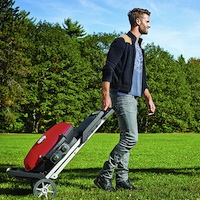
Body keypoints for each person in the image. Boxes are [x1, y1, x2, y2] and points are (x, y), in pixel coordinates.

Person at [94, 8, 156, 191]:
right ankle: (104, 175)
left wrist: (149, 98)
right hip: (121, 95)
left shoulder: (138, 47)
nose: (149, 25)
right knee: (131, 138)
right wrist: (105, 95)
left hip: (133, 96)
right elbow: (108, 68)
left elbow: (141, 78)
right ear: (138, 22)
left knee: (125, 137)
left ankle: (122, 180)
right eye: (147, 21)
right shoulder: (122, 42)